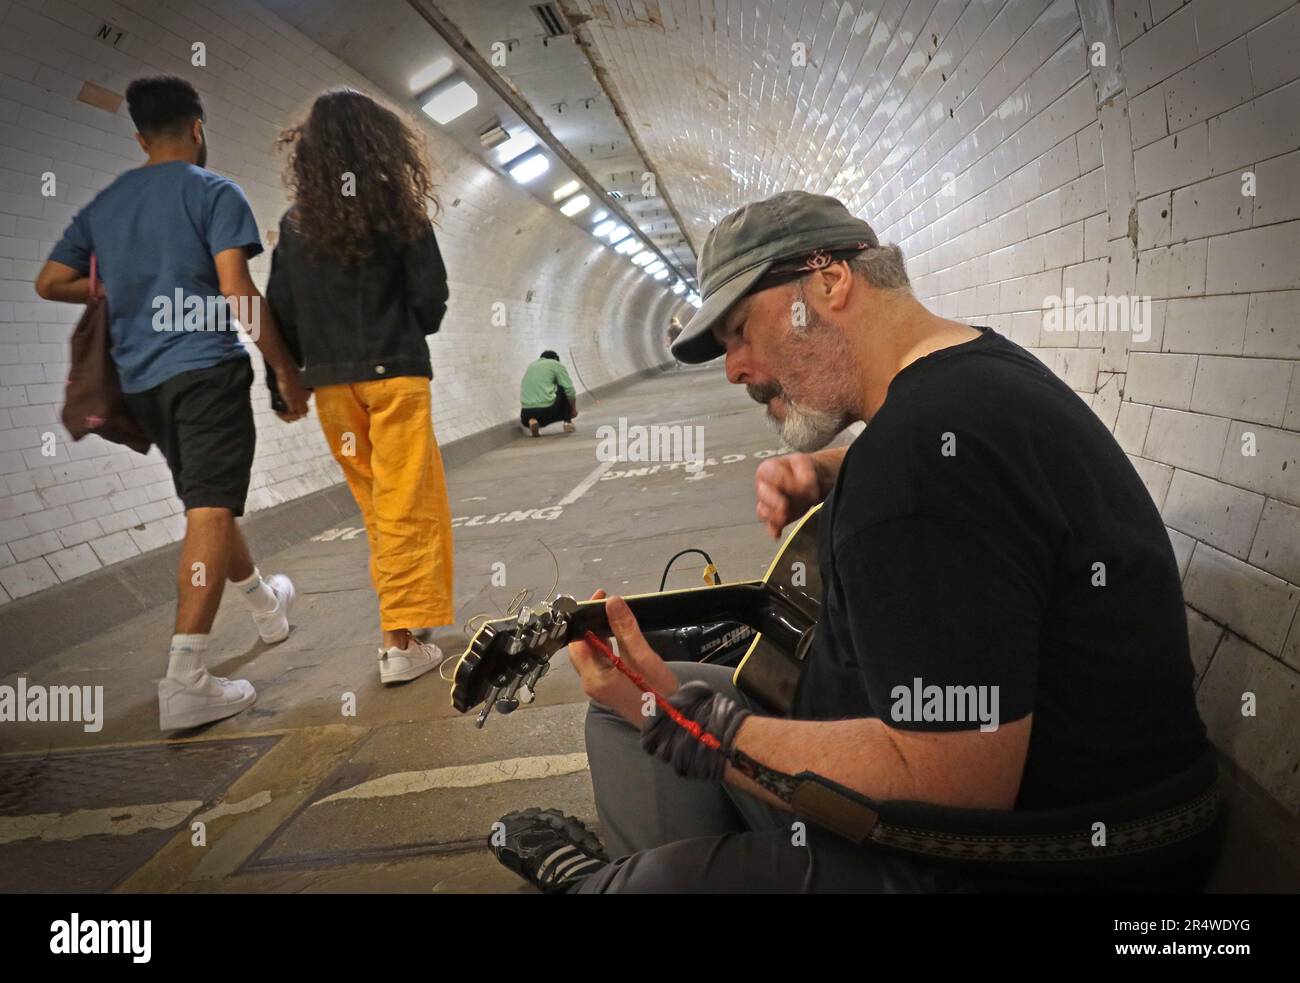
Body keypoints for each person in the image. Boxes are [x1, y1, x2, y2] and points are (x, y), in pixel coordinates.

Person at [488, 191, 1221, 893]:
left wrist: (675, 717)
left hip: (1027, 859)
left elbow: (956, 783)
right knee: (635, 713)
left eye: (742, 330)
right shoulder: (974, 377)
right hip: (1136, 820)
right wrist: (829, 467)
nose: (736, 368)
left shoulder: (915, 470)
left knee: (654, 759)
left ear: (830, 281)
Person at [35, 76, 308, 733]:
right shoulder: (214, 192)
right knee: (211, 507)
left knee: (205, 499)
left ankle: (265, 605)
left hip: (142, 381)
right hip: (205, 371)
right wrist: (284, 368)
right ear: (198, 128)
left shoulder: (106, 203)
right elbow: (237, 288)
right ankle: (185, 679)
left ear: (138, 136)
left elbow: (51, 282)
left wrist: (117, 291)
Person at [265, 88, 454, 685]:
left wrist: (287, 380)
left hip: (332, 390)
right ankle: (398, 641)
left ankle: (408, 616)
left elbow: (283, 310)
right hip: (395, 377)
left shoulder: (295, 225)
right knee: (408, 504)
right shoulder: (398, 213)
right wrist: (405, 330)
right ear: (380, 142)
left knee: (378, 506)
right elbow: (430, 297)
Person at [520, 350, 577, 436]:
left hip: (525, 414)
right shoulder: (556, 364)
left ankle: (533, 421)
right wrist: (573, 409)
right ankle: (567, 423)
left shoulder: (531, 366)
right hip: (547, 411)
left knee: (536, 410)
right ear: (555, 359)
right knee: (563, 388)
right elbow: (570, 390)